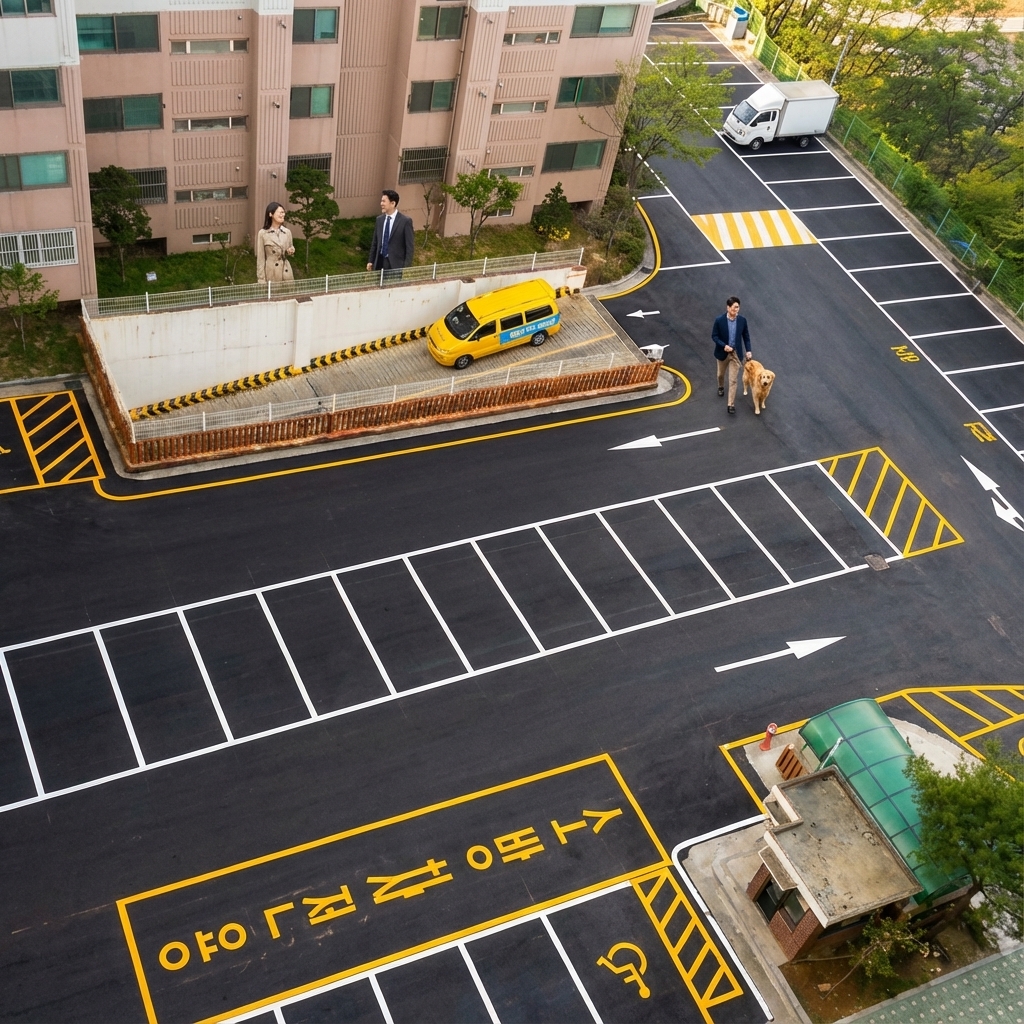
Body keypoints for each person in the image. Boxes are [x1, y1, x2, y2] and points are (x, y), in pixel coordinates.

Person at [712, 296, 752, 414]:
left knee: (733, 380)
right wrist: (724, 345)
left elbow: (746, 336)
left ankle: (731, 404)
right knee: (720, 374)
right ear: (728, 308)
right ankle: (720, 386)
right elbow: (714, 336)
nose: (736, 310)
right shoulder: (719, 320)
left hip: (736, 353)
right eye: (734, 308)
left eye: (737, 307)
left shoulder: (742, 320)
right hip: (723, 352)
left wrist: (748, 350)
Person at [367, 189, 414, 278]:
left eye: (384, 201)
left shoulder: (405, 221)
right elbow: (375, 243)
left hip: (396, 265)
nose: (381, 204)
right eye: (381, 201)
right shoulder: (379, 220)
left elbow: (409, 247)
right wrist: (371, 261)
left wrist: (406, 268)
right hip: (379, 263)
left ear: (393, 203)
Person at [256, 203, 295, 284]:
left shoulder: (287, 232)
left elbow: (290, 249)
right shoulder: (263, 233)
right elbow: (261, 259)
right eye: (280, 212)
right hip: (271, 273)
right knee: (273, 295)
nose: (283, 215)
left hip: (286, 272)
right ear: (271, 214)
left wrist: (291, 250)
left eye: (283, 212)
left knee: (289, 295)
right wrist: (261, 279)